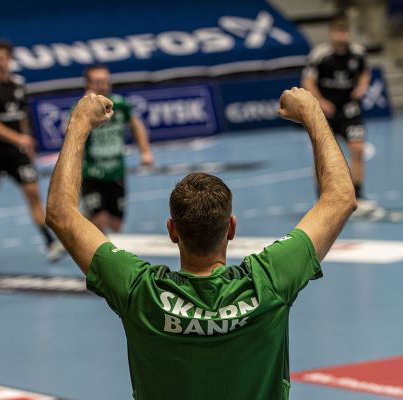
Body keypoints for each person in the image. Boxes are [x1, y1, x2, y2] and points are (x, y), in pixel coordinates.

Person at [45, 89, 357, 399]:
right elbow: (340, 198)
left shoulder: (140, 291)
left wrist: (79, 124)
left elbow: (61, 214)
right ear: (231, 228)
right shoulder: (269, 281)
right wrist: (313, 112)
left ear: (172, 231)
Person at [0, 40, 64, 266]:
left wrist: (26, 142)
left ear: (10, 58)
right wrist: (17, 138)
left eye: (4, 57)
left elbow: (22, 117)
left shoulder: (19, 84)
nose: (1, 62)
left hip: (16, 153)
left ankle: (49, 242)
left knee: (32, 192)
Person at [302, 14, 374, 214]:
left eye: (345, 32)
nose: (342, 36)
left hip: (350, 110)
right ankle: (321, 197)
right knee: (322, 155)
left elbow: (365, 72)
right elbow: (307, 81)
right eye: (338, 31)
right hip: (326, 112)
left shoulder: (357, 53)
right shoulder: (320, 55)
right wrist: (321, 101)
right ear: (331, 33)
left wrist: (361, 87)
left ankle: (358, 194)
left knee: (358, 148)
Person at [81, 64, 154, 233]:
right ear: (88, 84)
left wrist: (145, 151)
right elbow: (70, 134)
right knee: (99, 222)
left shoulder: (120, 104)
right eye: (98, 82)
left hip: (116, 171)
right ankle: (88, 221)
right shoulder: (82, 108)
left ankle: (86, 216)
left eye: (105, 81)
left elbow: (136, 125)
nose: (103, 86)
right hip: (92, 174)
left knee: (116, 225)